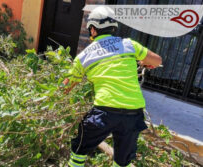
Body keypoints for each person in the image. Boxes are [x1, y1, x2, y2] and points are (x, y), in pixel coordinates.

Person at [63, 7, 162, 167]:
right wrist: (144, 62)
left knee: (80, 145)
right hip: (133, 112)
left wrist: (54, 92)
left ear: (93, 29)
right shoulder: (129, 45)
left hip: (105, 110)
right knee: (123, 159)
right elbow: (157, 60)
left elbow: (66, 86)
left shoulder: (84, 56)